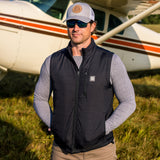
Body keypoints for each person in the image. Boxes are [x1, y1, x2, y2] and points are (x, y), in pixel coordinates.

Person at [33, 2, 136, 160]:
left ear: (92, 26)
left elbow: (129, 102)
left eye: (81, 23)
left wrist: (103, 128)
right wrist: (54, 124)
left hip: (101, 151)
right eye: (71, 23)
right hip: (62, 152)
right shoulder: (52, 61)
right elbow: (40, 98)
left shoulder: (110, 61)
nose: (75, 28)